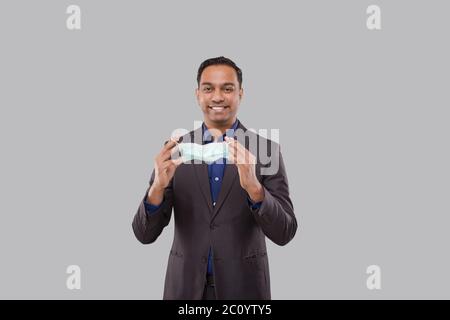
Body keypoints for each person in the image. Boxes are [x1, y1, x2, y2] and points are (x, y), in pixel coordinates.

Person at [132, 56, 297, 300]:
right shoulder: (176, 148)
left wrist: (255, 189)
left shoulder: (265, 151)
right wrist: (157, 188)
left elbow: (285, 232)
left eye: (227, 88)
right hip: (183, 290)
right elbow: (144, 235)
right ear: (198, 94)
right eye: (208, 88)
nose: (217, 97)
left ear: (241, 93)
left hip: (245, 291)